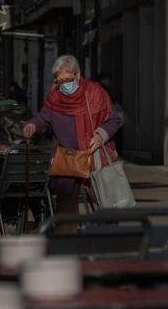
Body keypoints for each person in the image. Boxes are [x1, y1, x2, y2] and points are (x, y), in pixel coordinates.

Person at [22, 54, 124, 216]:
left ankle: (107, 232)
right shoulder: (54, 97)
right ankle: (67, 233)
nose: (64, 85)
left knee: (106, 207)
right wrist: (32, 125)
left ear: (78, 74)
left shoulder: (95, 92)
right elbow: (43, 117)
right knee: (66, 213)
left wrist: (100, 136)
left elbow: (114, 118)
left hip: (94, 156)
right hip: (67, 160)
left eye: (67, 80)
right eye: (59, 81)